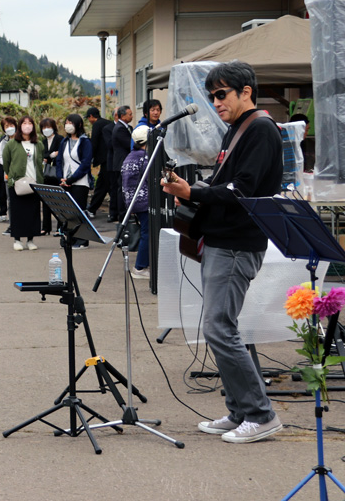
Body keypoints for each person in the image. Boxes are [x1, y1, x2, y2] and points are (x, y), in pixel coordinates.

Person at [161, 60, 283, 443]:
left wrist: (191, 193)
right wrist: (192, 187)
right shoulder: (238, 130)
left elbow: (241, 191)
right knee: (219, 328)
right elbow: (225, 182)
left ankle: (261, 415)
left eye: (221, 94)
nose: (215, 102)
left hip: (236, 244)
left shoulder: (261, 129)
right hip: (223, 241)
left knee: (219, 327)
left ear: (245, 91)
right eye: (212, 95)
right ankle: (239, 410)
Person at [3, 116, 43, 251]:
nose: (27, 125)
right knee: (17, 212)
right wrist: (12, 176)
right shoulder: (12, 144)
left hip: (34, 182)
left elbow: (40, 162)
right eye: (24, 123)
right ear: (19, 126)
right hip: (18, 183)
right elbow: (6, 162)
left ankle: (30, 239)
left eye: (30, 123)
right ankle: (17, 239)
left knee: (33, 212)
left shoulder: (38, 144)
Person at [58, 113, 94, 249]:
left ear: (78, 125)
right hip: (65, 181)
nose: (68, 125)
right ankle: (71, 238)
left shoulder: (85, 141)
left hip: (80, 182)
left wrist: (71, 179)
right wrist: (61, 178)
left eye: (71, 122)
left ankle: (83, 239)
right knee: (68, 212)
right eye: (66, 122)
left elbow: (85, 164)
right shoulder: (64, 141)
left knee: (79, 210)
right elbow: (59, 161)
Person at [121, 126, 152, 278]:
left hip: (133, 201)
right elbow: (151, 179)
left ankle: (142, 265)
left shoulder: (130, 156)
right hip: (145, 201)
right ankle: (140, 267)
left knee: (145, 233)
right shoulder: (145, 157)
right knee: (148, 234)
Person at [85, 107, 113, 218]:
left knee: (102, 185)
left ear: (92, 116)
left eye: (88, 118)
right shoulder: (108, 123)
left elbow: (94, 142)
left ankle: (92, 209)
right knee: (111, 185)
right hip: (112, 158)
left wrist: (90, 158)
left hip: (104, 159)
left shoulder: (97, 125)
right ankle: (117, 210)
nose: (89, 120)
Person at [0, 117, 17, 225]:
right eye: (6, 126)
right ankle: (3, 212)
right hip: (3, 171)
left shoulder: (22, 139)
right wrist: (6, 159)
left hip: (19, 172)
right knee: (3, 193)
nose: (9, 128)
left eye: (11, 125)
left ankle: (16, 216)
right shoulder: (1, 141)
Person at [109, 106, 134, 223]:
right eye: (129, 114)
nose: (132, 116)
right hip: (121, 162)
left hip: (122, 162)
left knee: (123, 189)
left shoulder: (126, 127)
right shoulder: (119, 128)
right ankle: (122, 215)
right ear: (122, 116)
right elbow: (128, 144)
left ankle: (124, 213)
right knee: (122, 189)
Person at [38, 117, 62, 236]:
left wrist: (50, 156)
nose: (46, 130)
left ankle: (60, 227)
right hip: (46, 174)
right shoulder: (42, 142)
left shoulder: (60, 139)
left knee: (58, 201)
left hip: (57, 173)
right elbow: (42, 155)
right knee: (45, 200)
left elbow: (61, 153)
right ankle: (46, 227)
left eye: (48, 127)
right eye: (44, 127)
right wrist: (51, 155)